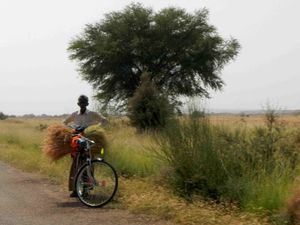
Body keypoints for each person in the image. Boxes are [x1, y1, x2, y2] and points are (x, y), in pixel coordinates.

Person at [63, 95, 108, 197]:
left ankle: (86, 190)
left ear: (87, 104)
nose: (82, 104)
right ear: (78, 104)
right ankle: (75, 190)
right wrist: (72, 129)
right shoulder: (75, 115)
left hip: (88, 144)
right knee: (76, 166)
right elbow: (64, 122)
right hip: (77, 144)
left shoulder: (92, 114)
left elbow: (104, 120)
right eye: (80, 102)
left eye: (84, 102)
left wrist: (94, 128)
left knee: (88, 166)